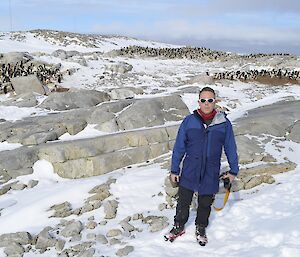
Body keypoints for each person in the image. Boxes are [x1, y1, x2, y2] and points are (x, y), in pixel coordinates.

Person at [166, 86, 239, 246]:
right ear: (199, 102)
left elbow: (230, 148)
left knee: (205, 202)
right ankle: (178, 225)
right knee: (183, 200)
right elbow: (179, 146)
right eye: (203, 100)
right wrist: (174, 169)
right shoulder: (189, 121)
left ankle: (201, 227)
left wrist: (234, 170)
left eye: (210, 100)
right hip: (190, 167)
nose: (207, 103)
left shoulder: (223, 123)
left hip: (211, 169)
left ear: (215, 101)